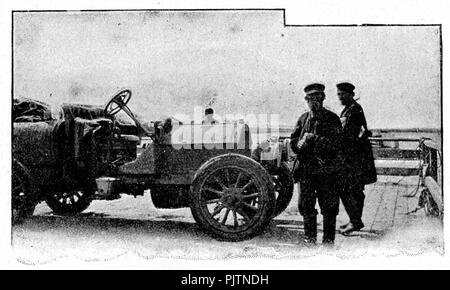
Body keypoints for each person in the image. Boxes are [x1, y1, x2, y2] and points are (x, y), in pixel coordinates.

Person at [290, 83, 343, 244]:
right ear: (306, 100)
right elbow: (293, 140)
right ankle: (309, 238)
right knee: (306, 205)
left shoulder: (332, 119)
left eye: (317, 99)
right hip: (306, 171)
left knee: (329, 207)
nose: (314, 102)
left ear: (323, 99)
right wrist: (299, 143)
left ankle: (328, 240)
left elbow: (338, 144)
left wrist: (315, 139)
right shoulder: (303, 119)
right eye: (310, 99)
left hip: (326, 171)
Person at [336, 82, 377, 235]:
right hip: (353, 157)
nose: (340, 97)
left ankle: (356, 221)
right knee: (352, 190)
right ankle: (355, 220)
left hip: (356, 158)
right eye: (339, 94)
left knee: (353, 190)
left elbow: (349, 136)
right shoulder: (348, 109)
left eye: (343, 94)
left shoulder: (354, 110)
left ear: (351, 94)